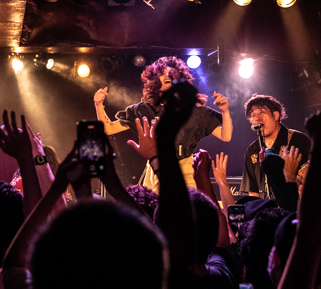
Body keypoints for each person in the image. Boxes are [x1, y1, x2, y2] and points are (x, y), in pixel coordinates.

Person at [94, 55, 231, 191]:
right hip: (154, 170)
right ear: (155, 80)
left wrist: (225, 112)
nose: (167, 74)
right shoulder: (144, 110)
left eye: (172, 73)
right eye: (163, 73)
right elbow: (108, 128)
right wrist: (98, 104)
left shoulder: (194, 112)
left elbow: (225, 136)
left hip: (183, 168)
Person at [240, 94, 311, 200]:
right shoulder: (252, 150)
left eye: (262, 112)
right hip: (266, 209)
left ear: (276, 115)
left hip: (295, 207)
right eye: (253, 115)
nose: (257, 118)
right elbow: (253, 191)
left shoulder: (299, 141)